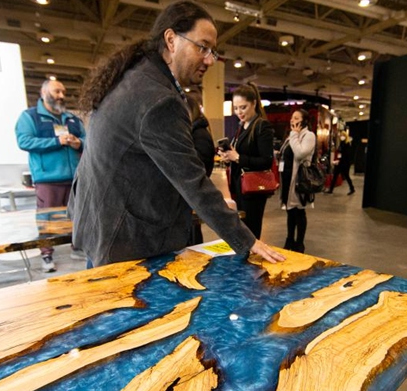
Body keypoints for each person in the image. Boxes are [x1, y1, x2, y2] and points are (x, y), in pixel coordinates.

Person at [68, 0, 283, 267]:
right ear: (171, 40)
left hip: (101, 225)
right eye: (202, 47)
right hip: (125, 241)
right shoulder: (159, 99)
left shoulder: (133, 77)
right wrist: (247, 240)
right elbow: (192, 181)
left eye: (212, 51)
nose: (209, 60)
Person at [15, 79, 86, 273]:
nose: (61, 96)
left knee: (78, 215)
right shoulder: (30, 117)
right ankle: (47, 254)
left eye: (63, 92)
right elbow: (24, 141)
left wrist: (79, 143)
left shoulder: (71, 118)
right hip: (48, 178)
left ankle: (77, 247)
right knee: (47, 219)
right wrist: (56, 141)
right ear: (44, 92)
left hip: (74, 177)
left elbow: (88, 139)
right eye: (57, 92)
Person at [219, 83, 275, 239]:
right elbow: (239, 155)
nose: (239, 112)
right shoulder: (241, 126)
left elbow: (266, 161)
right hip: (240, 187)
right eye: (236, 108)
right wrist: (229, 157)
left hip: (254, 188)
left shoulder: (262, 126)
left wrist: (238, 157)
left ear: (254, 103)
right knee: (243, 231)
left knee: (251, 232)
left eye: (243, 107)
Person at [279, 109, 316, 253]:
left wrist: (294, 135)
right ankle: (289, 239)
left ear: (304, 121)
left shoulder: (309, 135)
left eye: (296, 118)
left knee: (299, 211)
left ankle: (299, 243)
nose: (292, 120)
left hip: (300, 179)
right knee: (290, 211)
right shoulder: (293, 135)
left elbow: (300, 153)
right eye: (291, 117)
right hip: (288, 179)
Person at [185, 90, 215, 245]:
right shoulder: (194, 132)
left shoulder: (199, 134)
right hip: (191, 195)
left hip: (193, 195)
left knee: (193, 238)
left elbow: (198, 168)